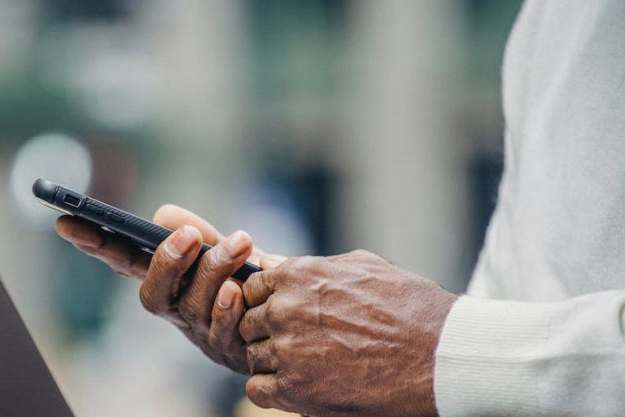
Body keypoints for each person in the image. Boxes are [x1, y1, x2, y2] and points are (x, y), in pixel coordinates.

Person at [55, 1, 625, 416]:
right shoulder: (546, 24)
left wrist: (436, 350)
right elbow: (511, 315)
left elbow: (464, 352)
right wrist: (290, 330)